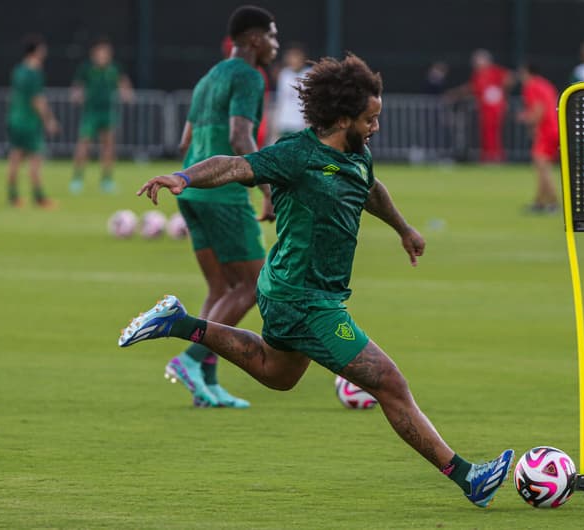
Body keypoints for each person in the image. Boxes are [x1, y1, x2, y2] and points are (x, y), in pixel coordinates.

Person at [119, 53, 514, 508]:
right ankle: (470, 477)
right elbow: (233, 165)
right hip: (303, 300)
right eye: (370, 119)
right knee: (390, 384)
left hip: (296, 290)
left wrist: (403, 229)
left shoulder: (356, 153)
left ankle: (179, 322)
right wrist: (182, 177)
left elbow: (369, 187)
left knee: (277, 374)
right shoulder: (297, 155)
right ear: (342, 118)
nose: (376, 127)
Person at [166, 5, 278, 408]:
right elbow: (240, 137)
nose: (276, 45)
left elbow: (184, 142)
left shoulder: (208, 78)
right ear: (253, 40)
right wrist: (268, 188)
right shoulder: (249, 76)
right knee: (254, 284)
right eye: (272, 36)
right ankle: (190, 359)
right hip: (222, 194)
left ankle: (205, 382)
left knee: (220, 287)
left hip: (191, 193)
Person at [69, 37, 133, 194]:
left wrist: (126, 92)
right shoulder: (86, 68)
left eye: (106, 53)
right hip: (91, 113)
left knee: (109, 147)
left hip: (108, 113)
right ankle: (77, 179)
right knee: (84, 145)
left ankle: (107, 180)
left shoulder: (114, 68)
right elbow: (77, 87)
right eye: (101, 53)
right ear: (94, 54)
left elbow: (124, 83)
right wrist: (77, 95)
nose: (103, 56)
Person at [6, 34, 59, 208]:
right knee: (35, 159)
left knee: (15, 157)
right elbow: (37, 99)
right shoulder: (34, 71)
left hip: (15, 118)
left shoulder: (19, 69)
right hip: (29, 121)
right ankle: (39, 197)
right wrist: (49, 120)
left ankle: (13, 196)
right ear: (36, 51)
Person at [447, 50, 512, 162]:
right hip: (485, 109)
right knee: (486, 133)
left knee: (493, 133)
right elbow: (472, 88)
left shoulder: (495, 71)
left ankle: (494, 157)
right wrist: (455, 94)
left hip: (495, 108)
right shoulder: (477, 75)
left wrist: (503, 93)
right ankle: (488, 156)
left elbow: (509, 78)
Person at [517, 62, 559, 213]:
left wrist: (526, 118)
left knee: (542, 167)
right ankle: (540, 202)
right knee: (542, 166)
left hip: (546, 130)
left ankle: (553, 202)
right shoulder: (545, 84)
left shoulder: (531, 86)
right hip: (555, 127)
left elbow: (539, 110)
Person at [272, 43, 310, 138]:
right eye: (291, 57)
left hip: (300, 125)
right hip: (284, 123)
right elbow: (281, 100)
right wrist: (276, 124)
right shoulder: (284, 74)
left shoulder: (309, 74)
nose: (293, 60)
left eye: (296, 56)